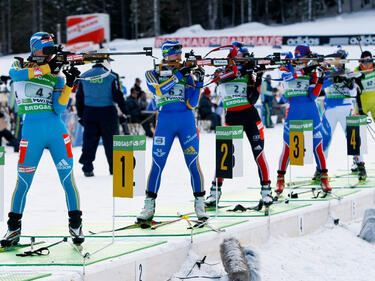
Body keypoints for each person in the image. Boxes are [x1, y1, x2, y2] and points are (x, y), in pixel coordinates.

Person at [1, 32, 83, 247]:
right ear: (34, 48)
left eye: (51, 50)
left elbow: (58, 107)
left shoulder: (57, 75)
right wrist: (49, 67)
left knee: (68, 180)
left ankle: (75, 224)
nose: (49, 54)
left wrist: (68, 84)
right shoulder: (20, 65)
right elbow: (16, 77)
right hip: (31, 131)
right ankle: (13, 229)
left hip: (56, 130)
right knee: (23, 182)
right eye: (45, 49)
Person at [137, 40, 208, 223]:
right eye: (175, 52)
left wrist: (198, 83)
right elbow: (159, 91)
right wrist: (177, 75)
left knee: (193, 163)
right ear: (166, 54)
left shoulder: (186, 74)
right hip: (165, 123)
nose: (179, 55)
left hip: (186, 122)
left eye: (180, 51)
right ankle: (149, 205)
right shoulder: (153, 73)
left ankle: (200, 203)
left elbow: (192, 104)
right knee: (157, 164)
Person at [205, 42, 273, 207]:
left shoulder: (249, 74)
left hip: (251, 118)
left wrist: (259, 77)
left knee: (259, 154)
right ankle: (214, 193)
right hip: (232, 119)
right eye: (243, 56)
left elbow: (253, 99)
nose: (247, 58)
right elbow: (217, 78)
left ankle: (266, 191)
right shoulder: (222, 70)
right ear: (233, 56)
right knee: (224, 157)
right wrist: (238, 70)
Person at [275, 45, 331, 195]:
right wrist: (310, 68)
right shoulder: (286, 68)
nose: (307, 60)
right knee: (287, 147)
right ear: (299, 56)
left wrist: (320, 79)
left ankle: (324, 178)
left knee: (317, 146)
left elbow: (313, 96)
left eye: (309, 58)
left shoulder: (311, 71)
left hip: (311, 111)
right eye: (306, 57)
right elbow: (292, 76)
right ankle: (280, 179)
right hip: (294, 111)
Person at [320, 48, 366, 181]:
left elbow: (357, 87)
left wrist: (349, 81)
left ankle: (360, 165)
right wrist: (334, 79)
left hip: (346, 108)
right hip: (330, 109)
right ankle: (320, 170)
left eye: (341, 60)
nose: (338, 63)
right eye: (336, 60)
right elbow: (321, 85)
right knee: (325, 140)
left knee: (353, 138)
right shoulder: (327, 72)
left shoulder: (348, 71)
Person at [76, 60, 128, 177]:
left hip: (89, 112)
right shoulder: (111, 76)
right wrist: (125, 112)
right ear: (106, 62)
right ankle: (114, 168)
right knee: (111, 142)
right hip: (108, 112)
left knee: (89, 141)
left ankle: (87, 167)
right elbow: (117, 95)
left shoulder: (84, 76)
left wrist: (80, 114)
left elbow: (79, 97)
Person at [351, 50, 375, 175]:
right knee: (356, 133)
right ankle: (357, 161)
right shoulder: (357, 70)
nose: (367, 65)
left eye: (370, 61)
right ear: (361, 62)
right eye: (365, 62)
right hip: (362, 103)